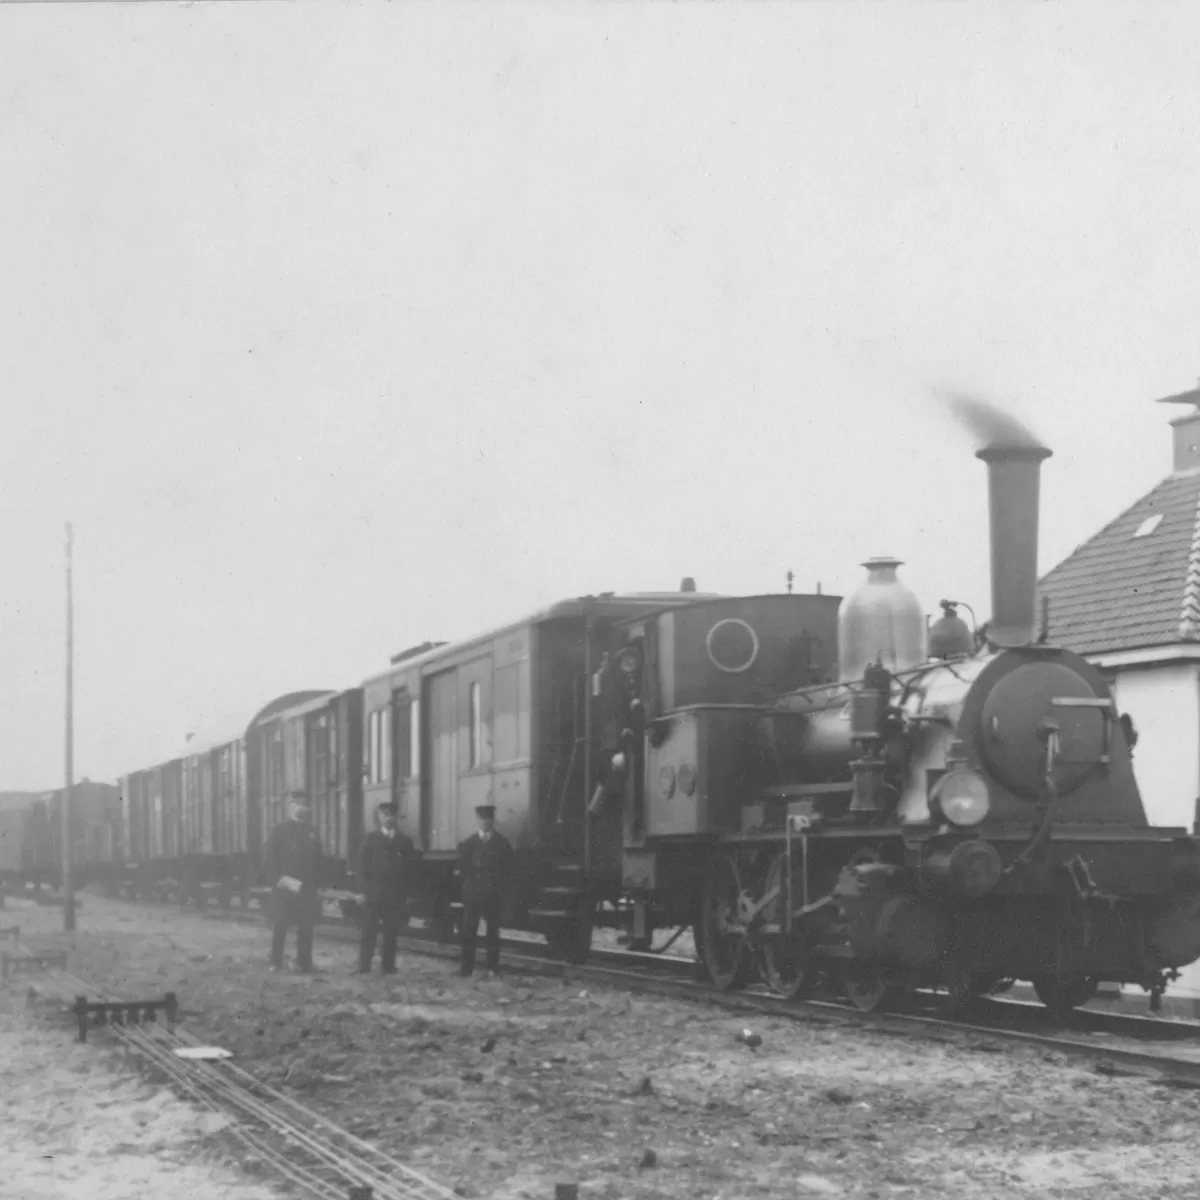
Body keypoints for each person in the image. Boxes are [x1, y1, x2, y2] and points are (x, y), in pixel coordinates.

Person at [262, 790, 325, 973]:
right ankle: (276, 961)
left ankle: (304, 962)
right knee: (280, 925)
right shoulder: (279, 830)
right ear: (289, 806)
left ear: (309, 807)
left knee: (306, 927)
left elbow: (320, 860)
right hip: (284, 887)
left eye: (303, 804)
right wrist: (279, 880)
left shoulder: (312, 831)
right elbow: (268, 859)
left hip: (307, 887)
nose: (300, 807)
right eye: (296, 803)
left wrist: (320, 886)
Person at [357, 800, 417, 975]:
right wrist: (361, 891)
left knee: (391, 933)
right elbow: (361, 868)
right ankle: (364, 967)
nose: (388, 819)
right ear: (379, 817)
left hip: (394, 895)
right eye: (384, 815)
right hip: (373, 894)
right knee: (369, 931)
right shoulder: (370, 839)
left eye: (391, 815)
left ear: (395, 817)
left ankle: (388, 966)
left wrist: (408, 893)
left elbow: (410, 870)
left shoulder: (404, 841)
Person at [457, 804, 513, 977]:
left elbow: (508, 870)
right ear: (477, 820)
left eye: (489, 819)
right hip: (473, 895)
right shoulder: (469, 843)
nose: (486, 822)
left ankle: (493, 967)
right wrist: (468, 891)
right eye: (482, 819)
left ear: (493, 821)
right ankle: (467, 969)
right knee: (469, 932)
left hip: (493, 895)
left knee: (493, 933)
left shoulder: (502, 843)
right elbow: (462, 870)